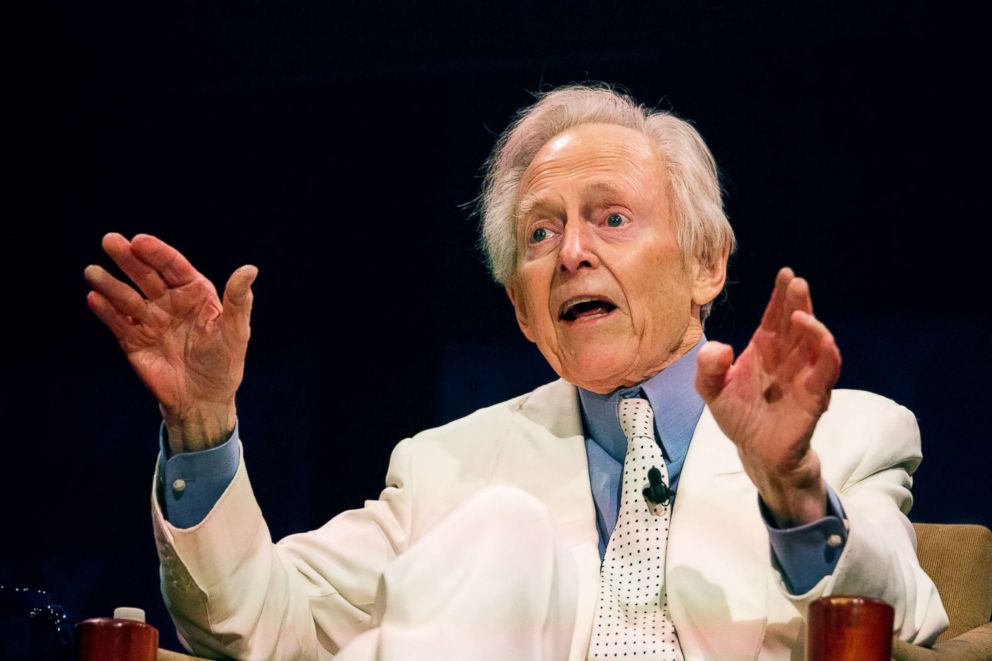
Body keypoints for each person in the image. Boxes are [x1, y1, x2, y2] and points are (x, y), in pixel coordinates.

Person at [85, 85, 948, 660]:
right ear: (522, 310)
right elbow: (253, 620)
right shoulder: (443, 467)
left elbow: (908, 615)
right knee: (503, 526)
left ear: (707, 263)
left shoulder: (848, 433)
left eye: (611, 217)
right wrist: (202, 426)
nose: (571, 251)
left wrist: (795, 489)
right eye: (541, 234)